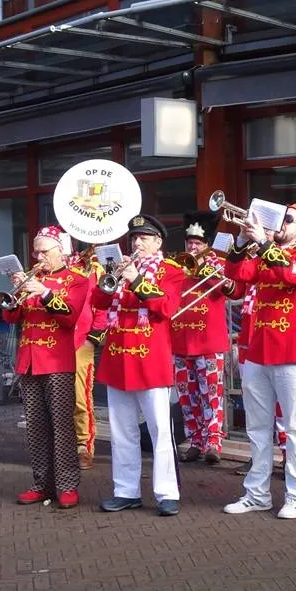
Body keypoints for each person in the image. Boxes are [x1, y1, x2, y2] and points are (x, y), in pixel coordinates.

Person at [223, 202, 296, 520]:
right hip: (257, 351)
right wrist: (241, 241)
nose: (281, 224)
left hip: (291, 354)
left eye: (288, 220)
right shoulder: (264, 255)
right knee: (256, 428)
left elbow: (291, 276)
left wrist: (264, 243)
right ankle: (257, 494)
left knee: (294, 429)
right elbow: (236, 275)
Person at [92, 214, 184, 517]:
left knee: (160, 432)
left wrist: (136, 279)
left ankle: (167, 492)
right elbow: (98, 302)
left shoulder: (170, 271)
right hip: (118, 359)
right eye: (134, 238)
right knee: (121, 432)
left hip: (150, 360)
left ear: (158, 241)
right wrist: (110, 280)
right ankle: (126, 491)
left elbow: (166, 308)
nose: (137, 242)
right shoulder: (119, 269)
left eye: (143, 237)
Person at [3, 226, 89, 507]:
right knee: (36, 427)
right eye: (36, 251)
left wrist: (46, 294)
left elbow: (70, 318)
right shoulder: (33, 278)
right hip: (28, 361)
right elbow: (10, 316)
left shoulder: (76, 280)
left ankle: (66, 486)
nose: (38, 256)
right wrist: (15, 289)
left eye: (44, 251)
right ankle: (41, 484)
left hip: (57, 362)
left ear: (61, 251)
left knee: (62, 426)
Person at [174, 213, 243, 465]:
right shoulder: (178, 265)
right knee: (187, 395)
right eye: (190, 242)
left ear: (207, 245)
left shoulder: (219, 264)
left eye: (198, 243)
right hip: (181, 340)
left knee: (211, 394)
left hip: (208, 341)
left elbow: (236, 289)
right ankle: (195, 440)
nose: (193, 247)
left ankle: (213, 441)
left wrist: (213, 272)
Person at [68, 245, 107, 471]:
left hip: (81, 340)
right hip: (55, 341)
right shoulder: (52, 268)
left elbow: (102, 307)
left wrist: (93, 337)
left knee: (80, 396)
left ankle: (84, 444)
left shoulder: (96, 270)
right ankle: (63, 444)